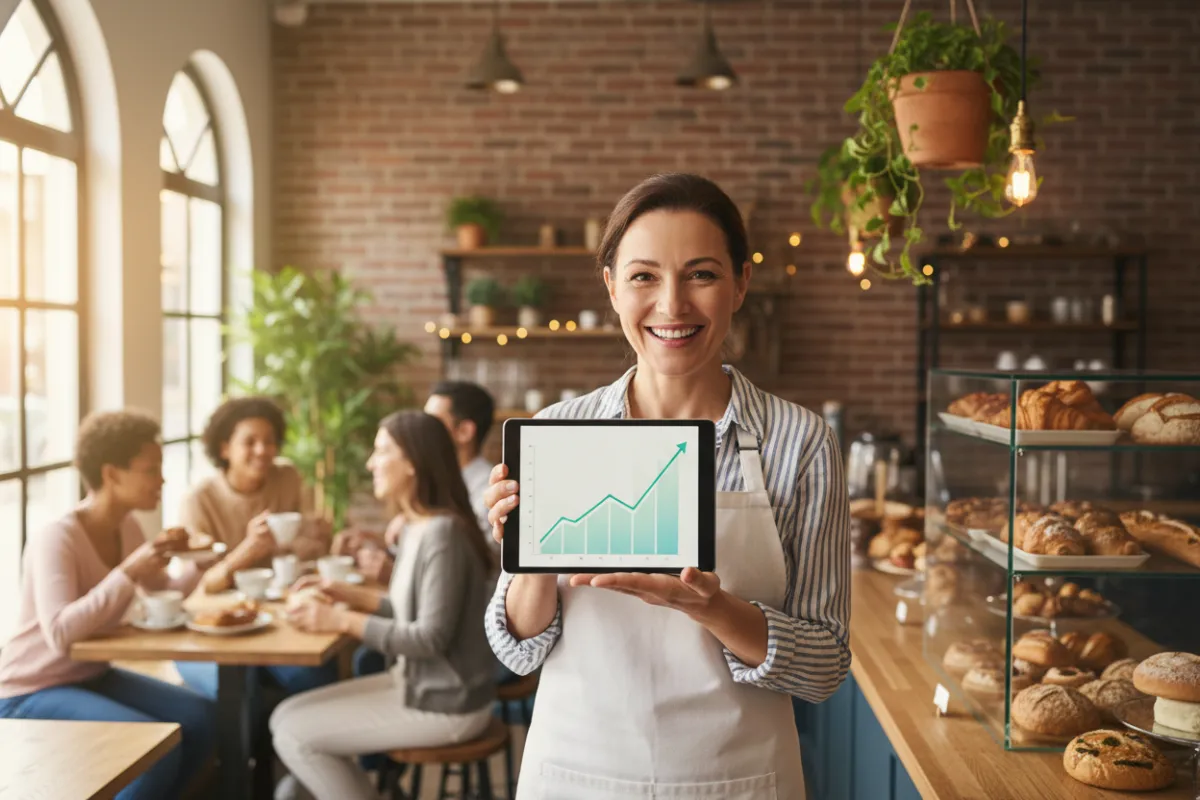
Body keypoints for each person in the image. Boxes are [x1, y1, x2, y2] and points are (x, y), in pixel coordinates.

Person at [483, 173, 851, 799]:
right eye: (644, 276)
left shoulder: (801, 442)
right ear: (611, 288)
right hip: (576, 776)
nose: (672, 306)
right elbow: (518, 649)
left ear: (741, 284)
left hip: (738, 782)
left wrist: (713, 609)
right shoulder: (557, 431)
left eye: (701, 274)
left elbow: (823, 667)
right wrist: (531, 552)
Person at [270, 411, 497, 799]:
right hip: (414, 685)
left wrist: (338, 619)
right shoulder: (416, 525)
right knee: (284, 717)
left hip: (448, 704)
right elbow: (409, 609)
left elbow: (429, 638)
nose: (371, 463)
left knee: (294, 735)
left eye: (381, 452)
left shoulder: (443, 533)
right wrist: (344, 592)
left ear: (412, 463)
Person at [0, 411, 216, 800]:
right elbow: (61, 634)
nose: (162, 480)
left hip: (90, 674)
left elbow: (166, 591)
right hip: (28, 689)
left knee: (202, 717)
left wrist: (204, 559)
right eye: (151, 470)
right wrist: (128, 572)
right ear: (112, 474)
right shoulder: (57, 538)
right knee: (153, 750)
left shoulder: (128, 527)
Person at [175, 395, 337, 699]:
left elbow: (317, 545)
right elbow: (203, 583)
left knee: (315, 674)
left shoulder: (287, 477)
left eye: (270, 441)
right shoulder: (199, 500)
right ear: (225, 448)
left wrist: (300, 539)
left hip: (277, 621)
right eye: (250, 442)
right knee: (239, 685)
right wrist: (250, 550)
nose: (262, 451)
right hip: (214, 630)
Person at [333, 381, 497, 585]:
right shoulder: (432, 491)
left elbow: (465, 571)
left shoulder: (490, 493)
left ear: (464, 432)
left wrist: (395, 573)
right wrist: (377, 543)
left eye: (433, 421)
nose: (422, 427)